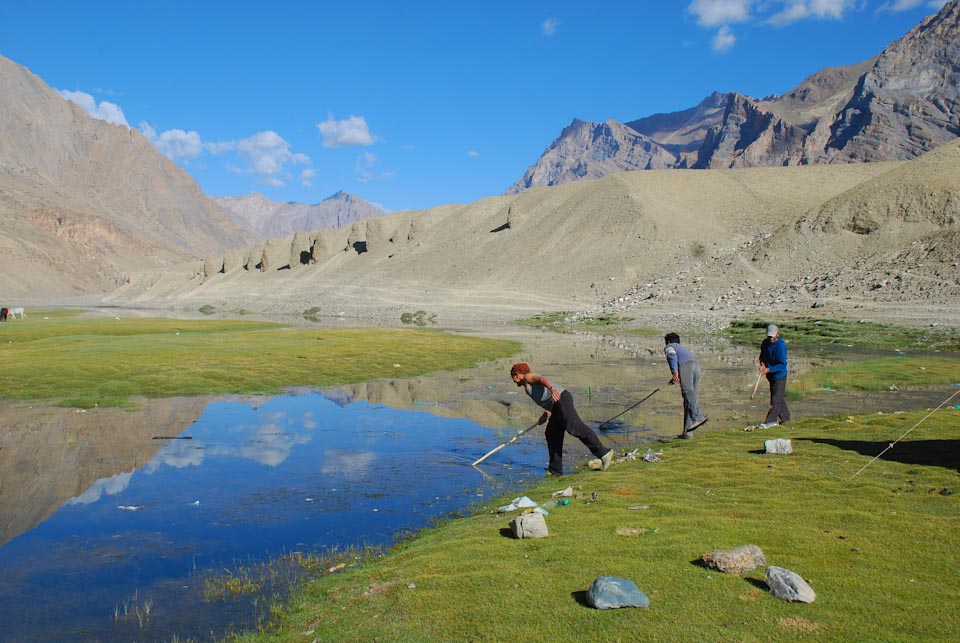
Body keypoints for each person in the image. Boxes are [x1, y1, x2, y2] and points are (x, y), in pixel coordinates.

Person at [510, 363, 612, 475]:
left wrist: (552, 389)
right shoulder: (526, 387)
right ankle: (555, 470)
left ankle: (604, 453)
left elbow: (541, 379)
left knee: (574, 427)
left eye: (513, 377)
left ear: (518, 374)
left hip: (561, 398)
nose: (513, 381)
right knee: (552, 433)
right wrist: (546, 414)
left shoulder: (527, 377)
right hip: (555, 406)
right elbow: (547, 399)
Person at [663, 332, 707, 439]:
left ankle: (698, 417)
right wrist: (675, 377)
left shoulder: (670, 346)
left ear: (668, 341)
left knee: (688, 393)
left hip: (686, 366)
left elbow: (672, 356)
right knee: (690, 397)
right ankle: (687, 433)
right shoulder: (682, 348)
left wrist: (674, 373)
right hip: (695, 366)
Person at [759, 324, 790, 428]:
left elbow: (782, 365)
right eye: (769, 336)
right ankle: (787, 420)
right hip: (770, 375)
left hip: (779, 376)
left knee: (775, 400)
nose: (770, 338)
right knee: (779, 398)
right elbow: (762, 356)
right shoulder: (765, 343)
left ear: (777, 334)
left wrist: (769, 369)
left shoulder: (780, 346)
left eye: (772, 336)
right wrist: (762, 365)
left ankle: (769, 422)